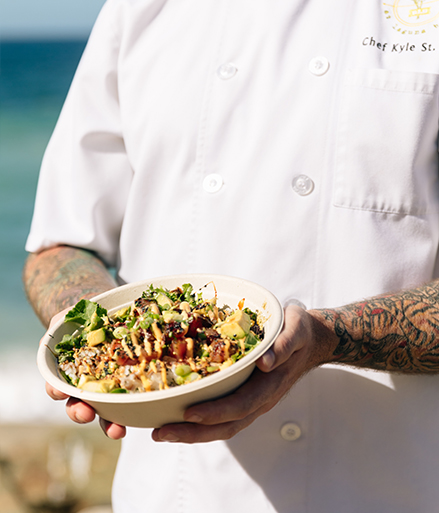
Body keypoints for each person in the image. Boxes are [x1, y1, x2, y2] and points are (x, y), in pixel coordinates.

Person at [23, 0, 439, 511]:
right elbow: (60, 244)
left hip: (393, 485)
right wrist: (106, 341)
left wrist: (329, 338)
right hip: (175, 491)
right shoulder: (140, 10)